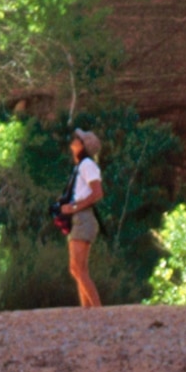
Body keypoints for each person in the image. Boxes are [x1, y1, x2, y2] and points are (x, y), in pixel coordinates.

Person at [56, 127, 104, 308]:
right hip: (80, 218)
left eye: (78, 139)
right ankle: (87, 310)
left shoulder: (86, 165)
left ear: (83, 146)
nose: (74, 140)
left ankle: (97, 309)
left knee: (77, 268)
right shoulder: (82, 166)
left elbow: (97, 192)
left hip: (82, 218)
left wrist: (75, 207)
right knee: (79, 269)